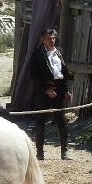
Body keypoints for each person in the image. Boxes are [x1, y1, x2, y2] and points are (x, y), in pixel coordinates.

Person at [30, 28, 74, 160]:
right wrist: (46, 89)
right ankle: (40, 152)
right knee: (41, 120)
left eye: (53, 38)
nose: (52, 40)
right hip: (44, 90)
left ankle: (64, 152)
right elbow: (34, 76)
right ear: (43, 39)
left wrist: (66, 90)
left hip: (59, 89)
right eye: (49, 38)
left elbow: (63, 73)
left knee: (61, 120)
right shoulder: (37, 55)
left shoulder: (58, 53)